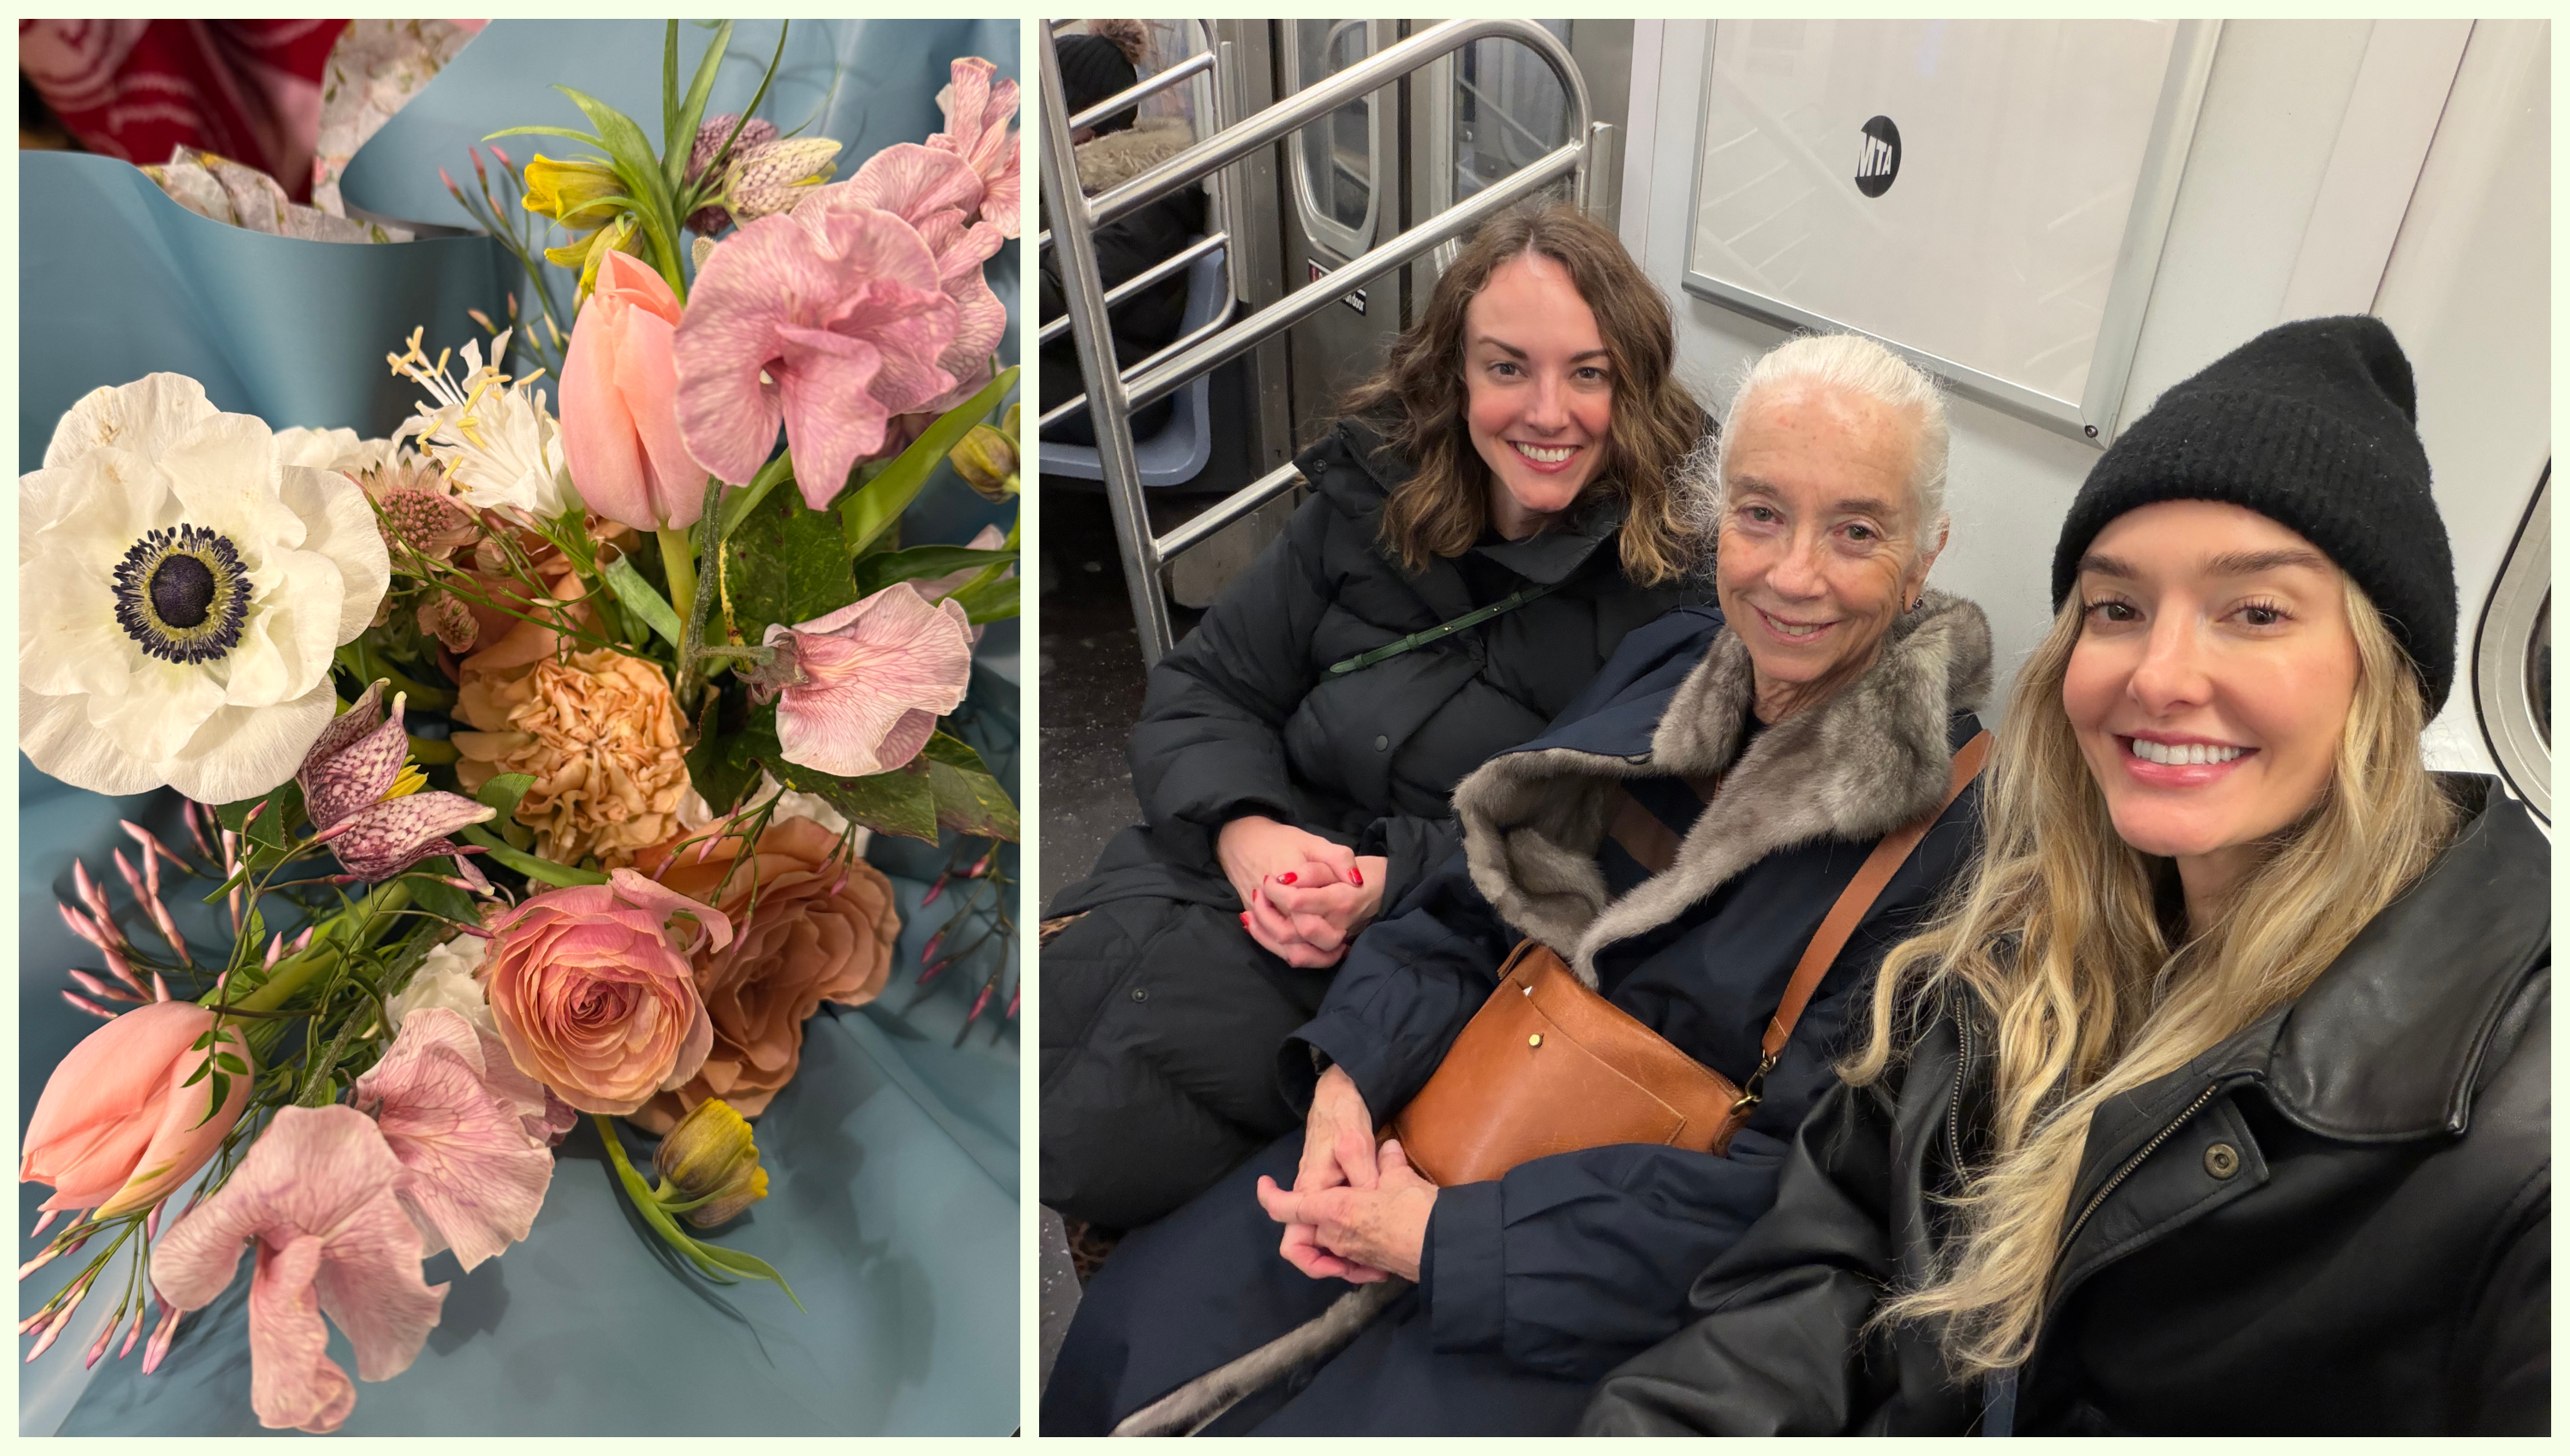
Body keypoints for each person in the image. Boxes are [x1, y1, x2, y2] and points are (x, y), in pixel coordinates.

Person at [1582, 316, 2549, 1436]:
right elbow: (1829, 1255)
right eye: (2118, 607)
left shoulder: (2519, 1145)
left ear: (2383, 669)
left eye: (2255, 612)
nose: (2161, 673)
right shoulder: (2014, 937)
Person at [1045, 331, 1998, 1435]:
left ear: (1926, 555)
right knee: (1137, 1324)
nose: (1793, 572)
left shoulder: (1953, 832)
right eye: (1761, 513)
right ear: (1718, 516)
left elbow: (1808, 1189)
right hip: (1447, 1116)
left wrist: (1444, 1240)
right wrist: (1353, 1076)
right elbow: (1469, 890)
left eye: (1857, 531)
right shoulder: (1671, 659)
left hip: (1617, 1273)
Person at [1043, 204, 1710, 1232]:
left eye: (1589, 372)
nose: (1549, 410)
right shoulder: (1373, 499)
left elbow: (1604, 834)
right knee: (1025, 1045)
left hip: (1433, 949)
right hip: (1237, 872)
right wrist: (1243, 828)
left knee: (1092, 1125)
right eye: (1506, 368)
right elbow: (1208, 685)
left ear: (1634, 382)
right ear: (1454, 375)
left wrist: (1390, 879)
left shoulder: (1666, 589)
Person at [1038, 20, 1205, 444]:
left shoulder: (1132, 201)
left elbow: (1061, 298)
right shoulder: (1083, 184)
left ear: (1083, 124)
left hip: (1115, 386)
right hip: (1081, 363)